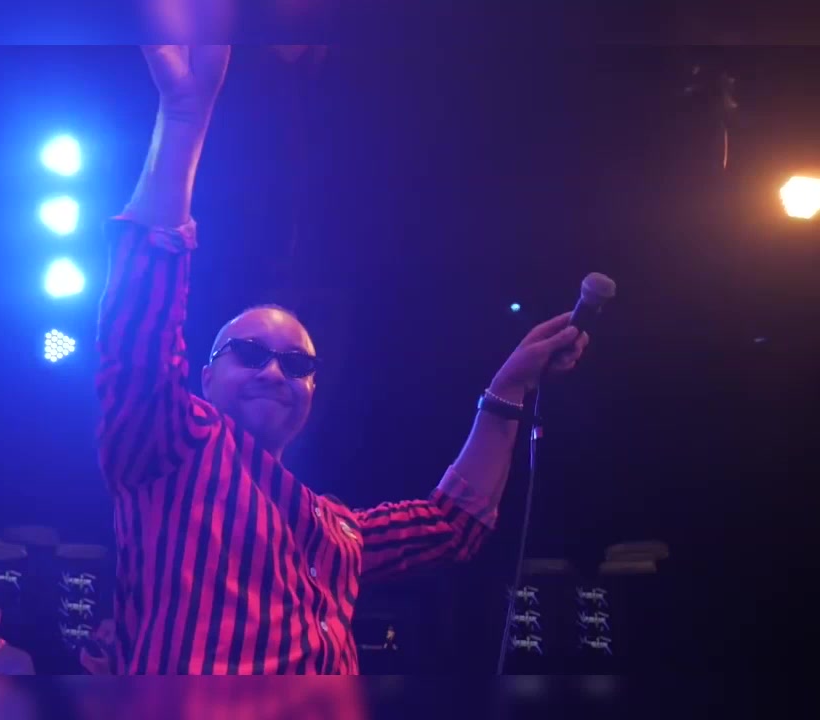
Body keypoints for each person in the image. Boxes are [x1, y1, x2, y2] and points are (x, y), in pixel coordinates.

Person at [94, 45, 591, 674]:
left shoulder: (333, 529)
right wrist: (183, 120)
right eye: (251, 353)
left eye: (297, 365)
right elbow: (136, 332)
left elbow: (453, 522)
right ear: (206, 376)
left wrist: (509, 387)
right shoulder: (172, 448)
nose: (274, 372)